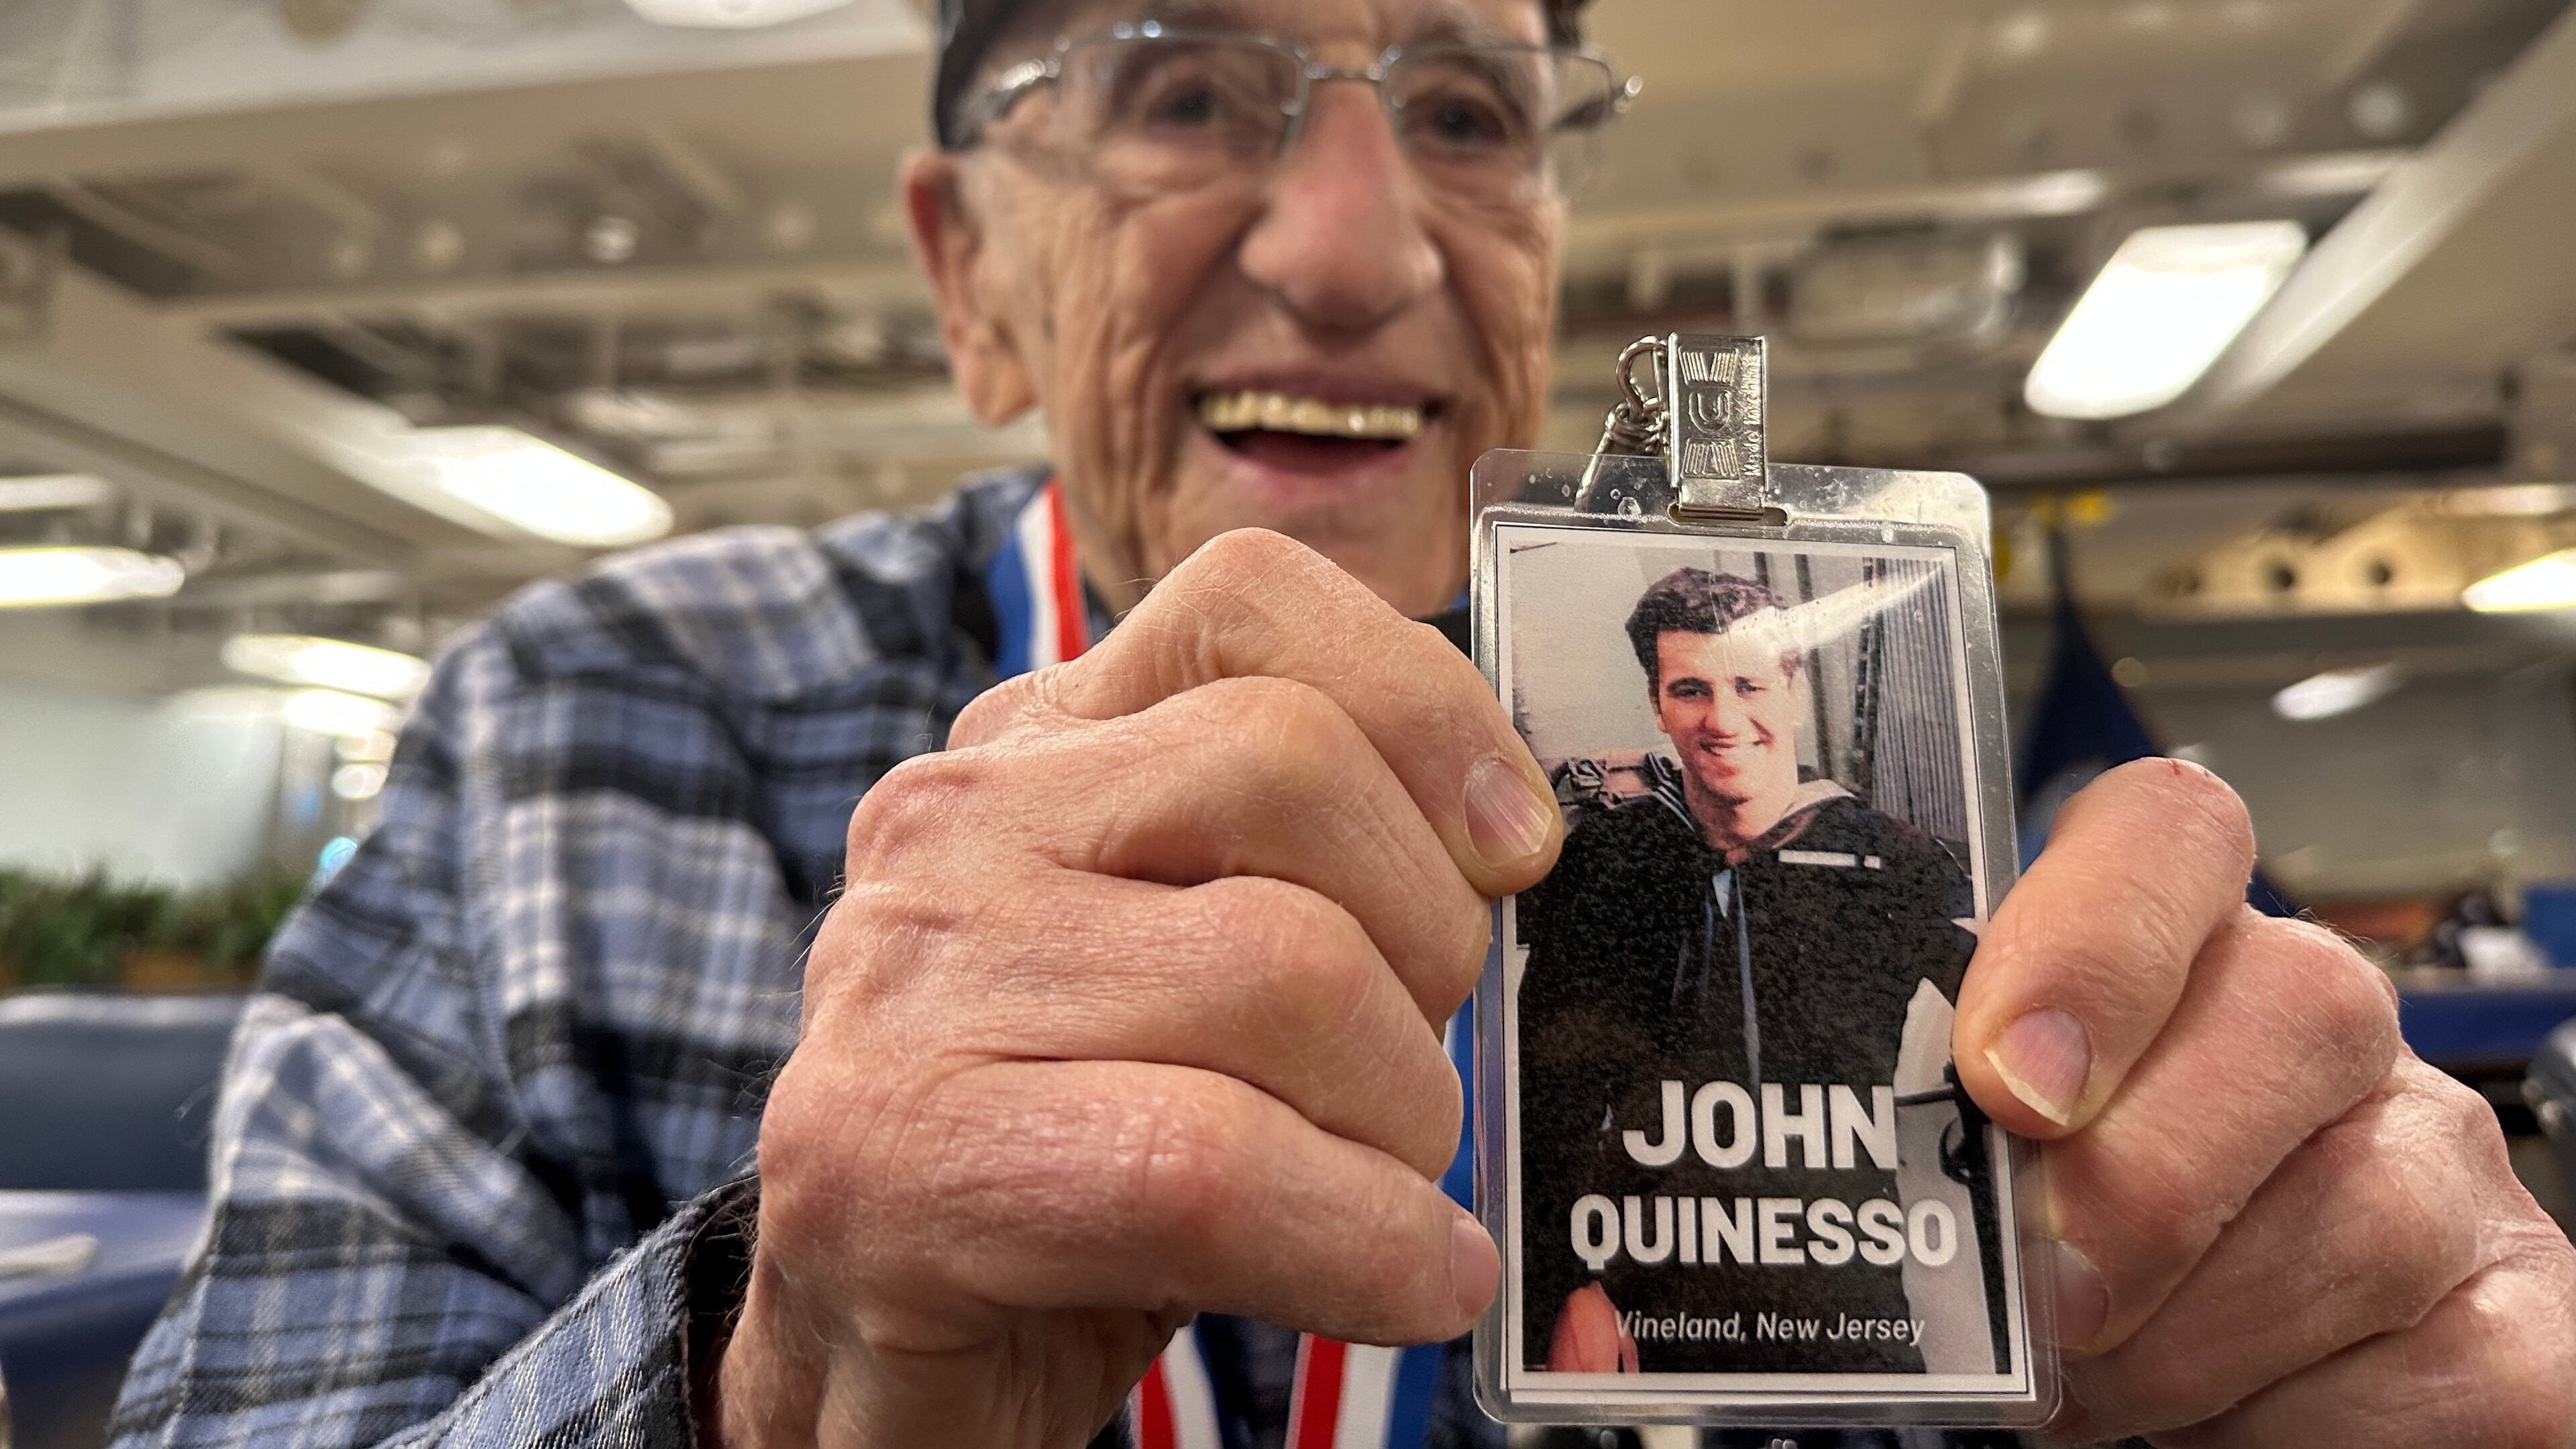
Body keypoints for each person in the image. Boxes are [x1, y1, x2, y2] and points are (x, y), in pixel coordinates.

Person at [105, 0, 2576, 1443]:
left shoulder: (1827, 770)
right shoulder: (585, 732)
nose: (1356, 243)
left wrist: (2327, 1325)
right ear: (971, 271)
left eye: (1472, 115)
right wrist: (765, 1383)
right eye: (1189, 89)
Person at [1517, 567, 1995, 1377]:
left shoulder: (1889, 862)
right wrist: (1563, 1288)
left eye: (1748, 685)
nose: (1724, 720)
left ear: (1793, 690)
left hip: (1849, 1328)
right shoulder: (1608, 866)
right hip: (1642, 1326)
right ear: (1658, 705)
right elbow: (1539, 1102)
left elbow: (2010, 1044)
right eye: (1693, 690)